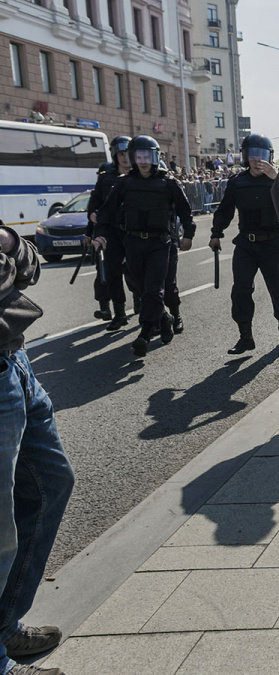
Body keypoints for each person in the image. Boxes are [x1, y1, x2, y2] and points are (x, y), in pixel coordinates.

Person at [0, 224, 75, 675]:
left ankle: (4, 623)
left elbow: (29, 263)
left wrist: (8, 243)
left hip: (15, 360)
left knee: (51, 482)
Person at [93, 135, 196, 357]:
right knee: (141, 288)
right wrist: (99, 234)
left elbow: (185, 211)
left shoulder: (168, 183)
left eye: (147, 155)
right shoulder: (124, 183)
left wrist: (188, 234)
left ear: (155, 157)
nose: (143, 160)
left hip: (160, 243)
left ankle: (145, 334)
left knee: (155, 289)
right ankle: (164, 320)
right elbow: (105, 212)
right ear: (132, 158)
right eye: (138, 156)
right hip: (133, 243)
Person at [208, 133, 279, 355]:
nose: (258, 160)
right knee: (241, 290)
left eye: (262, 155)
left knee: (277, 289)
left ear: (270, 157)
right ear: (245, 157)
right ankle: (245, 337)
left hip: (272, 243)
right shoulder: (237, 182)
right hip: (246, 244)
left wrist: (277, 179)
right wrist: (216, 233)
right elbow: (225, 210)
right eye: (253, 155)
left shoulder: (278, 179)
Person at [85, 135, 132, 324]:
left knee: (135, 272)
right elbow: (96, 204)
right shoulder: (106, 177)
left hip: (133, 230)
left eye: (127, 153)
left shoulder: (140, 175)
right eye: (120, 154)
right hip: (109, 231)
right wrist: (91, 223)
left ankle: (141, 302)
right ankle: (115, 311)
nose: (124, 157)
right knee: (108, 271)